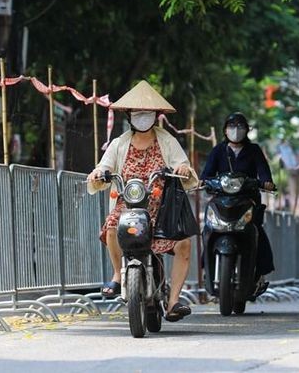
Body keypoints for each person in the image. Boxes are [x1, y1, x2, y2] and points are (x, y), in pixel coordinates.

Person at [87, 80, 198, 322]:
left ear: (156, 116)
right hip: (127, 206)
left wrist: (182, 169)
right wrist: (98, 173)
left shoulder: (167, 140)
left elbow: (185, 166)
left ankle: (173, 302)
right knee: (112, 228)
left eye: (147, 114)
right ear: (129, 116)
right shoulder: (119, 143)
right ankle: (118, 275)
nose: (142, 118)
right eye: (137, 114)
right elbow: (103, 168)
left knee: (184, 246)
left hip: (163, 209)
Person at [200, 112, 275, 298]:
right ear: (225, 130)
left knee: (257, 230)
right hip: (221, 200)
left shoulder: (254, 150)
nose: (235, 130)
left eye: (240, 126)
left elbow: (264, 172)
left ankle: (260, 273)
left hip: (247, 200)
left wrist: (266, 182)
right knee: (208, 229)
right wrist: (203, 182)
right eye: (232, 126)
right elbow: (207, 174)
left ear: (247, 130)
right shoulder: (218, 150)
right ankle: (205, 267)